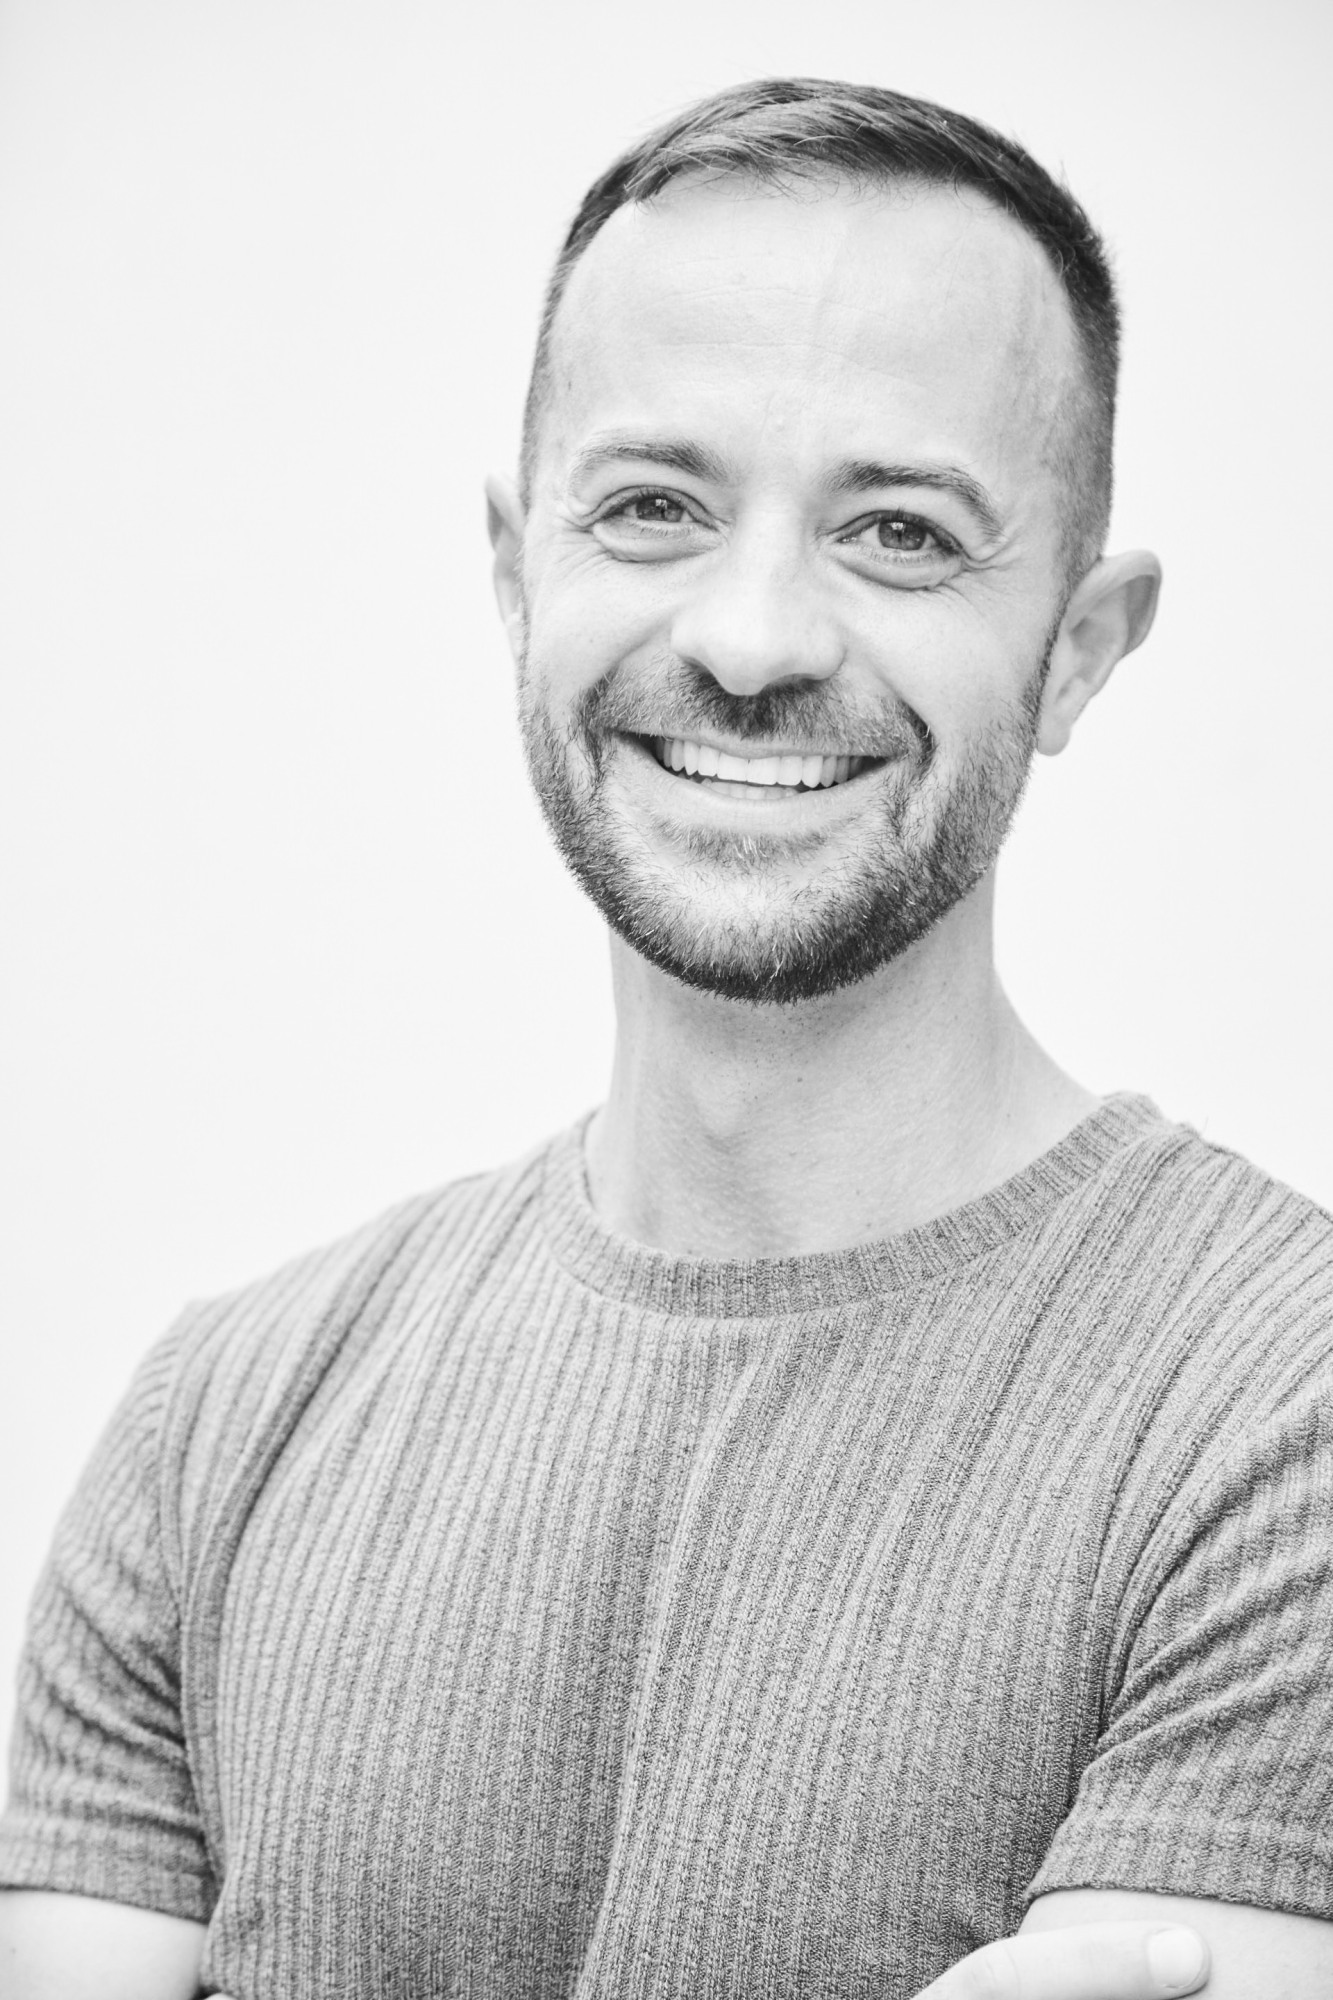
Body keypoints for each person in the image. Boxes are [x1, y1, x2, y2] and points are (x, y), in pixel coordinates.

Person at [1, 75, 1331, 2000]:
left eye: (896, 530)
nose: (753, 634)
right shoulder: (215, 1427)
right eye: (651, 508)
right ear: (512, 572)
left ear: (1078, 648)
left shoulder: (1282, 1423)